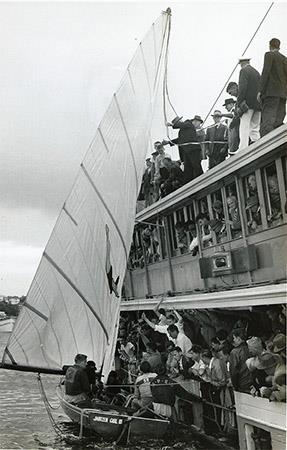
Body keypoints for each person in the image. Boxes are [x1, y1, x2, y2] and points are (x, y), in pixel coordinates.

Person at [258, 38, 287, 136]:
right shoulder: (284, 58)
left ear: (270, 46)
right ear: (279, 46)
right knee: (279, 121)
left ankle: (266, 141)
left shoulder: (269, 55)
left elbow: (265, 72)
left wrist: (260, 91)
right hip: (283, 94)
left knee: (268, 120)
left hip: (271, 93)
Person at [164, 115, 201, 183]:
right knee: (188, 168)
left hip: (193, 149)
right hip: (187, 151)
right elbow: (179, 140)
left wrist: (171, 125)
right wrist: (168, 142)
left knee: (196, 166)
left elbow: (181, 125)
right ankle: (188, 182)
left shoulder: (188, 123)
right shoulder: (184, 129)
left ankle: (201, 179)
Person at [237, 57, 261, 150]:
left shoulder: (244, 71)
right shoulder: (256, 72)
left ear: (241, 63)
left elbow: (242, 88)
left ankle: (243, 148)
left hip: (247, 104)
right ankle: (258, 145)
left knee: (244, 126)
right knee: (255, 127)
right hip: (258, 104)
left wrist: (239, 102)